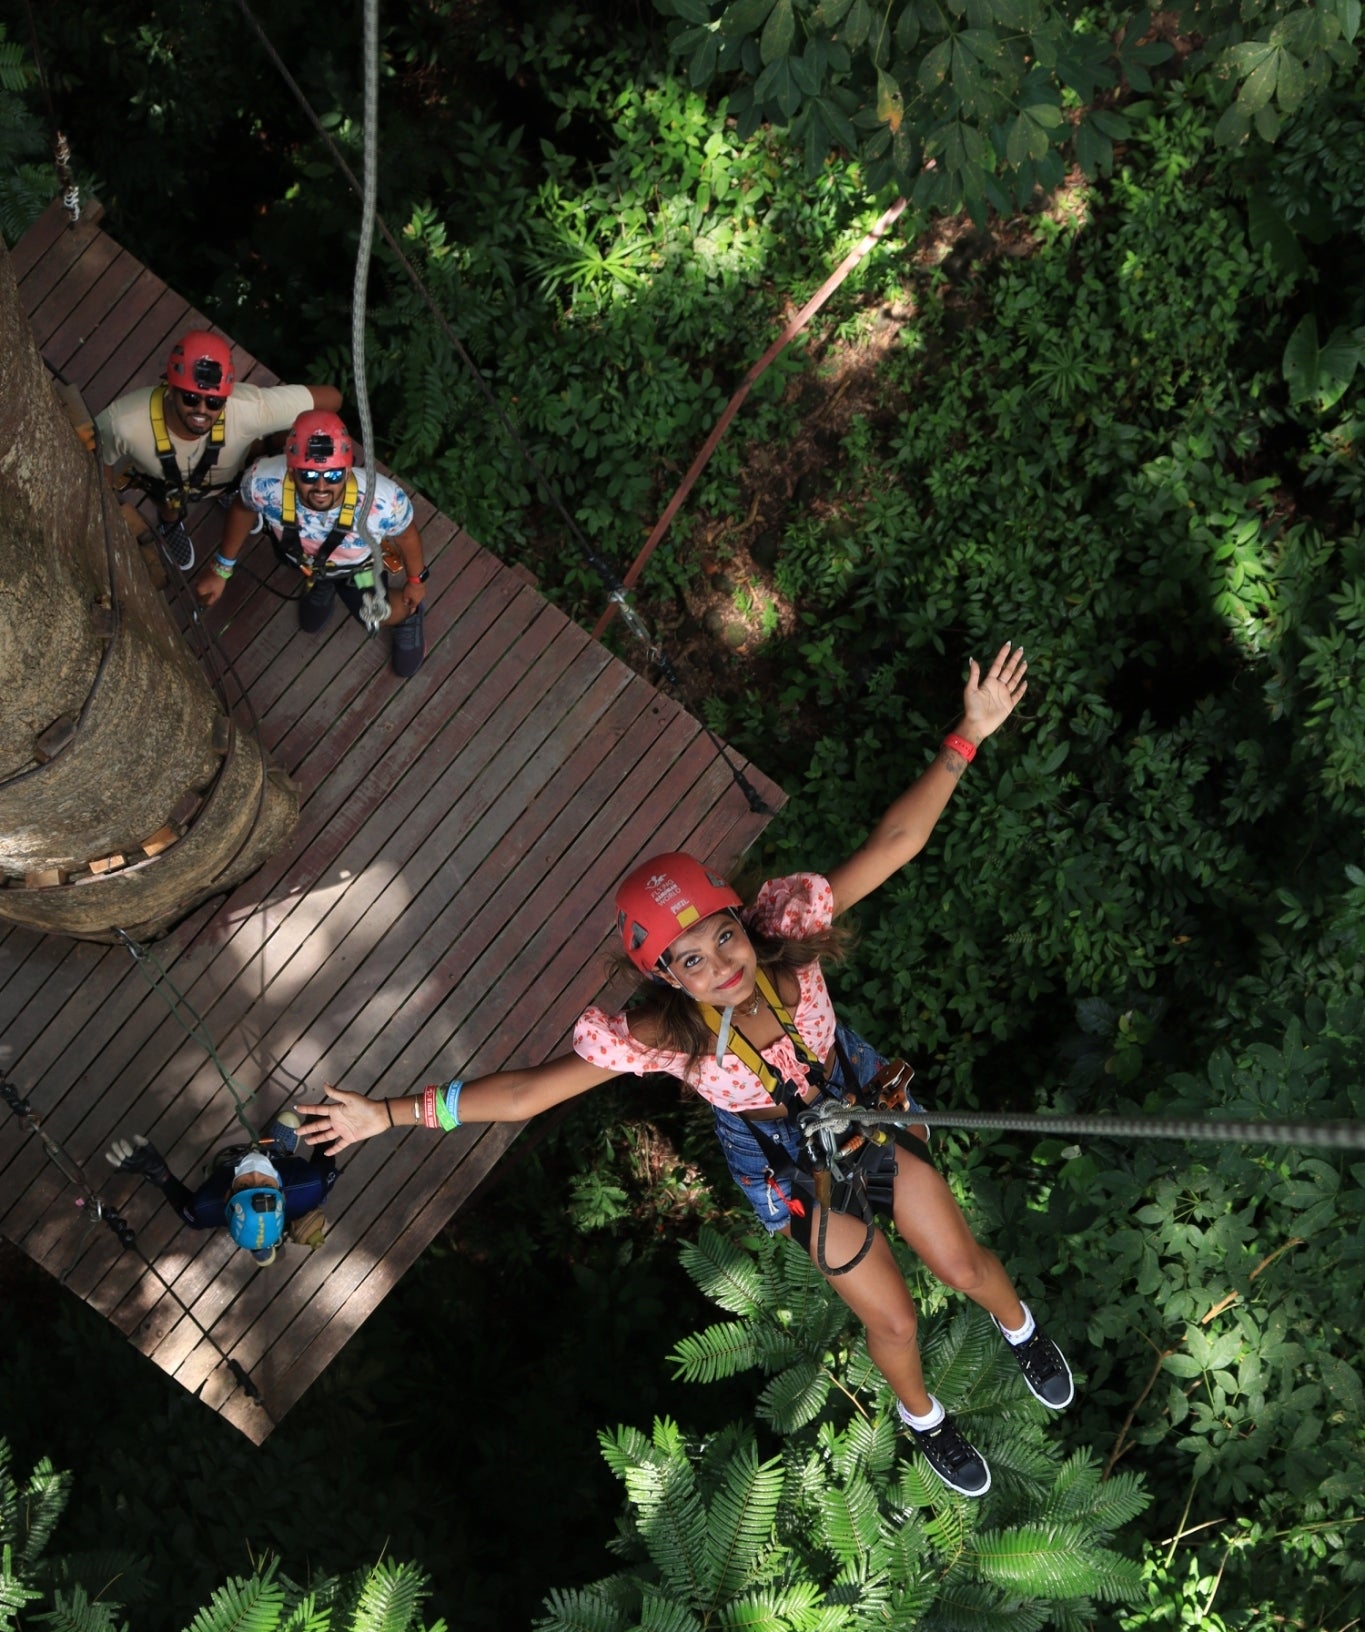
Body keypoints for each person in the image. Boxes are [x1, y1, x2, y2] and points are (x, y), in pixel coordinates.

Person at [296, 644, 1073, 1497]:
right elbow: (525, 1094)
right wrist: (389, 1115)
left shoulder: (792, 939)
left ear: (745, 917)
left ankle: (1019, 1328)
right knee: (889, 1315)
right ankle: (924, 1420)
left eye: (723, 936)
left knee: (961, 1265)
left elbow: (894, 841)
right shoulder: (661, 1035)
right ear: (665, 976)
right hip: (795, 1166)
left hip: (866, 1111)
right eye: (691, 959)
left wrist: (966, 735)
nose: (720, 965)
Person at [193, 409, 428, 678]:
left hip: (358, 570)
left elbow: (407, 535)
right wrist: (222, 569)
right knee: (312, 584)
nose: (320, 487)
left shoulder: (384, 503)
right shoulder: (264, 483)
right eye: (307, 475)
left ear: (348, 468)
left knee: (375, 612)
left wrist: (416, 580)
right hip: (300, 558)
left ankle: (409, 616)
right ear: (291, 471)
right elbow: (243, 509)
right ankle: (322, 584)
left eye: (332, 476)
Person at [95, 330, 342, 572]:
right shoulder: (122, 424)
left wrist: (286, 446)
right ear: (170, 388)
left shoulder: (248, 409)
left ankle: (226, 495)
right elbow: (100, 461)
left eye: (214, 402)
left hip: (227, 476)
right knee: (169, 503)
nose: (202, 411)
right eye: (191, 398)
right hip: (164, 484)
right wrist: (107, 509)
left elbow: (331, 399)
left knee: (234, 487)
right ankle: (170, 524)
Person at [105, 1113, 338, 1267]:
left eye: (245, 1186)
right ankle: (276, 1155)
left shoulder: (208, 1206)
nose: (255, 1172)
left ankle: (260, 1243)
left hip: (230, 1181)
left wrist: (159, 1174)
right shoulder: (311, 1186)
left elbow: (189, 1213)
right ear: (283, 1193)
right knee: (257, 1220)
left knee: (251, 1223)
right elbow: (326, 1155)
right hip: (284, 1173)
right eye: (265, 1186)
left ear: (227, 1196)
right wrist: (320, 1121)